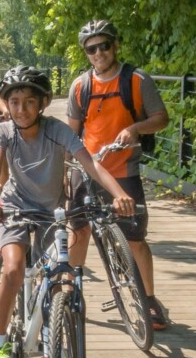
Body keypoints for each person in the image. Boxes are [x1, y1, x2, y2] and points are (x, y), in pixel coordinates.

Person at [0, 66, 136, 358]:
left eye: (28, 102)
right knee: (12, 268)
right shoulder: (4, 131)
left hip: (51, 212)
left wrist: (119, 194)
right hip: (13, 207)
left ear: (42, 103)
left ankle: (56, 349)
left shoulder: (57, 130)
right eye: (14, 102)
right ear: (7, 105)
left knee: (57, 278)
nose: (21, 109)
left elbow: (90, 163)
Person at [66, 19, 171, 329]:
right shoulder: (80, 86)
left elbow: (161, 118)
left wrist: (134, 129)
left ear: (115, 45)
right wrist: (63, 171)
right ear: (85, 52)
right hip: (87, 171)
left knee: (135, 238)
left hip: (124, 170)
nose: (98, 53)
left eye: (104, 46)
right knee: (79, 230)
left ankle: (149, 300)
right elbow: (72, 135)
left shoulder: (137, 80)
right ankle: (72, 290)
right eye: (91, 48)